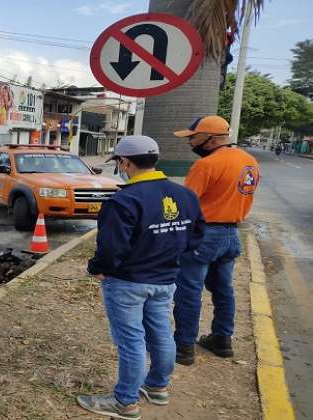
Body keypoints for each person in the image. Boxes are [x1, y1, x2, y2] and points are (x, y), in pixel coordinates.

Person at [78, 135, 205, 420]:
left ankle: (125, 402)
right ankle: (158, 387)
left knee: (131, 341)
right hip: (165, 280)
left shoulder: (123, 200)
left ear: (125, 162)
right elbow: (196, 236)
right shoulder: (185, 195)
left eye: (119, 162)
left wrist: (96, 267)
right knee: (160, 333)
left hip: (127, 283)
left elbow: (111, 250)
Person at [172, 116, 261, 365]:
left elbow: (186, 206)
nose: (190, 142)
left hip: (204, 235)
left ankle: (183, 347)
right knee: (223, 290)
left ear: (209, 139)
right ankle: (222, 340)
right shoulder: (249, 162)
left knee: (189, 291)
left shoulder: (206, 165)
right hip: (232, 234)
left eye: (193, 137)